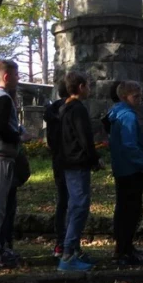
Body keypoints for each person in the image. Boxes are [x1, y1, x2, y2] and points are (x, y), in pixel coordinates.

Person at [0, 59, 29, 269]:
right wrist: (19, 135)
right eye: (17, 75)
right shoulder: (3, 99)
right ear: (7, 77)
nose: (19, 79)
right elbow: (1, 127)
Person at [107, 80, 143, 267]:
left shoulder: (116, 113)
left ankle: (125, 247)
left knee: (124, 209)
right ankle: (124, 249)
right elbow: (129, 144)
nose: (139, 99)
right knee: (131, 210)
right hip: (131, 169)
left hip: (122, 168)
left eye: (140, 95)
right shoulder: (128, 117)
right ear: (125, 96)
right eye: (136, 96)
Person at [57, 72, 100, 272]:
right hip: (78, 163)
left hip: (67, 162)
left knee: (75, 206)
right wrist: (94, 160)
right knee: (79, 207)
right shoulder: (78, 109)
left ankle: (72, 249)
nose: (90, 90)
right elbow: (85, 138)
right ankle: (68, 255)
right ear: (81, 87)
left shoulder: (64, 108)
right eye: (88, 86)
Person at [44, 82, 70, 259]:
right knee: (72, 202)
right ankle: (67, 243)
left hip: (58, 160)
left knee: (63, 201)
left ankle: (60, 242)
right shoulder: (70, 110)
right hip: (71, 161)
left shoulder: (51, 111)